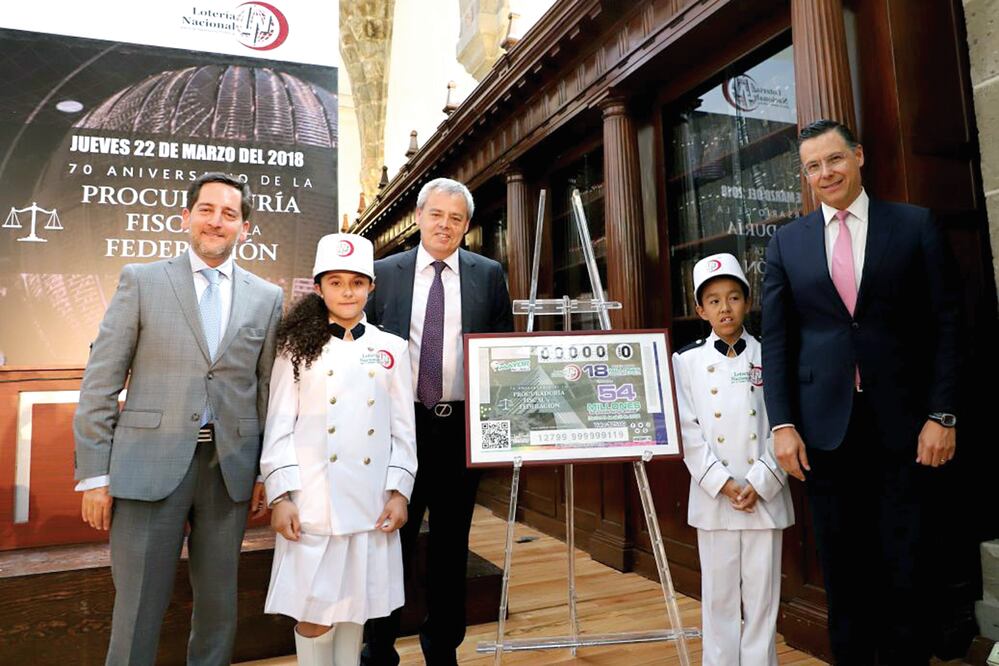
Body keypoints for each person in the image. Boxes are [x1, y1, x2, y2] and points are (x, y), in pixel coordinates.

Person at [762, 119, 960, 665]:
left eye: (835, 160)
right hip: (824, 434)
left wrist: (943, 414)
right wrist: (782, 425)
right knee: (844, 576)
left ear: (859, 157)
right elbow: (776, 343)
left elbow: (947, 324)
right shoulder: (787, 242)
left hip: (907, 429)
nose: (825, 173)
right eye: (813, 167)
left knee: (908, 568)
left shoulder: (914, 225)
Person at [73, 171, 283, 665]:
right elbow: (102, 380)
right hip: (146, 467)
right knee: (138, 605)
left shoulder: (266, 297)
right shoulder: (142, 280)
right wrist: (94, 476)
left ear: (245, 228)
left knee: (217, 606)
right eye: (207, 210)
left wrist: (264, 472)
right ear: (185, 217)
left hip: (228, 470)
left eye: (230, 214)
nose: (217, 222)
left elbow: (266, 392)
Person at [362, 177, 514, 665]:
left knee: (452, 547)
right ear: (419, 216)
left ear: (466, 226)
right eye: (436, 215)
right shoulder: (382, 273)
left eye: (456, 218)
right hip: (395, 429)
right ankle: (379, 647)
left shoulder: (488, 274)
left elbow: (502, 352)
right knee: (391, 545)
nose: (444, 225)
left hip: (457, 430)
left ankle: (442, 647)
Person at [259, 233, 417, 666]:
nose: (347, 291)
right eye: (336, 282)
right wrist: (281, 495)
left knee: (356, 610)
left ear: (371, 287)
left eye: (356, 282)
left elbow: (404, 431)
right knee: (314, 612)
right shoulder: (295, 348)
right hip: (313, 502)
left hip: (371, 504)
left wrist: (400, 491)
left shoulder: (391, 349)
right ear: (319, 287)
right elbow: (278, 427)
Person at [673, 253, 793, 666]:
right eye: (714, 300)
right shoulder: (685, 362)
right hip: (715, 497)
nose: (725, 308)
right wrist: (721, 482)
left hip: (764, 491)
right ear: (699, 309)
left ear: (748, 300)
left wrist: (761, 481)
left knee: (762, 600)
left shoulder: (771, 354)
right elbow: (687, 430)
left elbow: (784, 420)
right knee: (719, 598)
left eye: (734, 297)